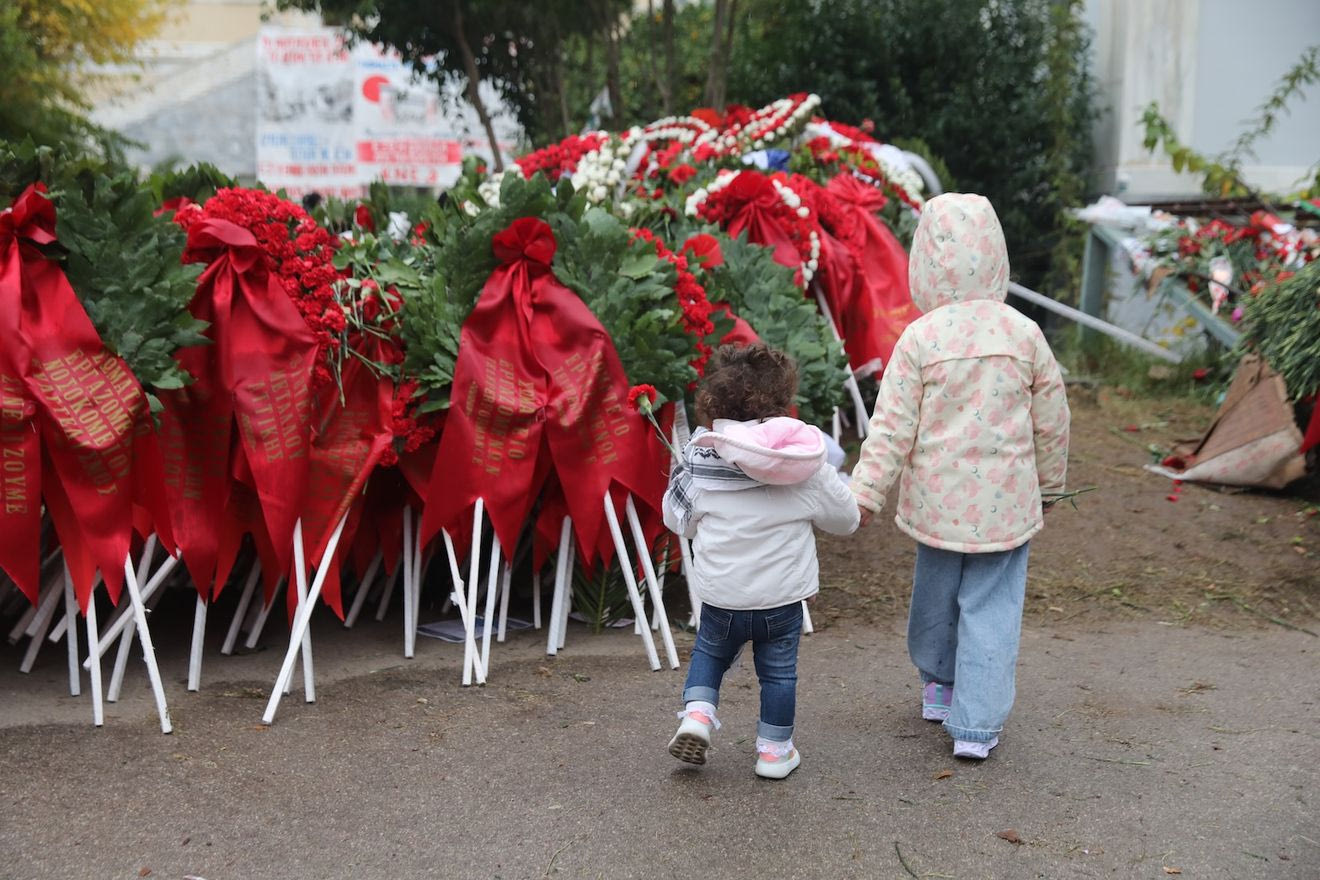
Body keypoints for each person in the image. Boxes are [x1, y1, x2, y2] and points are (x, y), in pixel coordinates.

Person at [851, 192, 1070, 760]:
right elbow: (1052, 422)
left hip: (938, 506)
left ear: (923, 262)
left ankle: (939, 684)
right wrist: (1050, 485)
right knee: (992, 609)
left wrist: (866, 491)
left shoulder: (920, 339)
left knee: (936, 595)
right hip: (1006, 506)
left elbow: (891, 426)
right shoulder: (1024, 334)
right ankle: (977, 725)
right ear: (997, 257)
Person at [662, 343, 859, 779]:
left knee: (710, 655)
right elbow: (846, 520)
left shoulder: (700, 457)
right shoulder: (805, 463)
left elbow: (677, 519)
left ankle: (697, 714)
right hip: (782, 600)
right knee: (778, 675)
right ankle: (773, 751)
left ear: (713, 402)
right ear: (784, 400)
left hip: (723, 595)